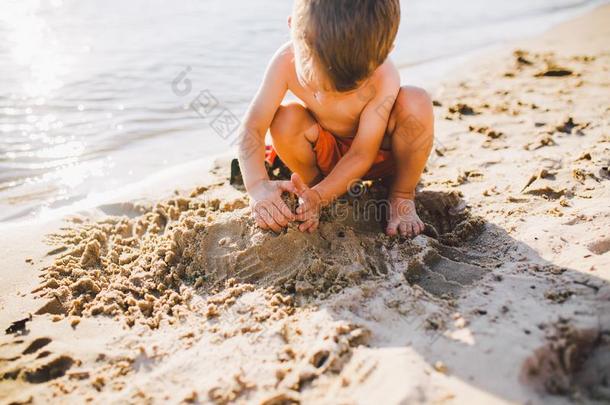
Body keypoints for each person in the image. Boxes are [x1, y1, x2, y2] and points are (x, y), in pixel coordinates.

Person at [237, 0, 434, 238]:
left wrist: (322, 196)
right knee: (284, 119)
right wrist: (257, 185)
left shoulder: (383, 75)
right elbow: (253, 128)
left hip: (378, 153)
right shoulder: (284, 62)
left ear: (385, 53)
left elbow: (362, 152)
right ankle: (313, 187)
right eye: (314, 86)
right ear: (293, 30)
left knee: (416, 101)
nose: (322, 96)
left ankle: (402, 194)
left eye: (346, 90)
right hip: (326, 157)